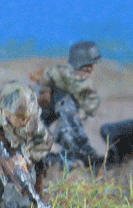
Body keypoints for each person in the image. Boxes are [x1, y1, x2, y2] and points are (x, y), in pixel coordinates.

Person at [33, 40, 103, 168]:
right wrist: (45, 92)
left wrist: (80, 115)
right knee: (38, 129)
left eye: (90, 69)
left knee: (68, 131)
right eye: (86, 69)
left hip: (67, 113)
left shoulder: (87, 86)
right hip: (49, 107)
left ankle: (68, 157)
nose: (90, 73)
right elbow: (48, 74)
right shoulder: (62, 73)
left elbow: (92, 103)